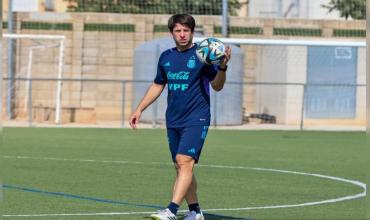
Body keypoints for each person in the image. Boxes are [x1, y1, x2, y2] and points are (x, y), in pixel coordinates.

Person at [129, 14, 231, 220]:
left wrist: (222, 66)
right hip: (173, 119)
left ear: (192, 32)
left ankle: (171, 210)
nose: (182, 34)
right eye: (178, 31)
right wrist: (139, 108)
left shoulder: (203, 56)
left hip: (197, 118)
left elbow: (217, 86)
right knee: (181, 166)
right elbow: (158, 85)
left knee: (184, 161)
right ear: (172, 33)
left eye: (186, 30)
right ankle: (195, 212)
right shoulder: (166, 57)